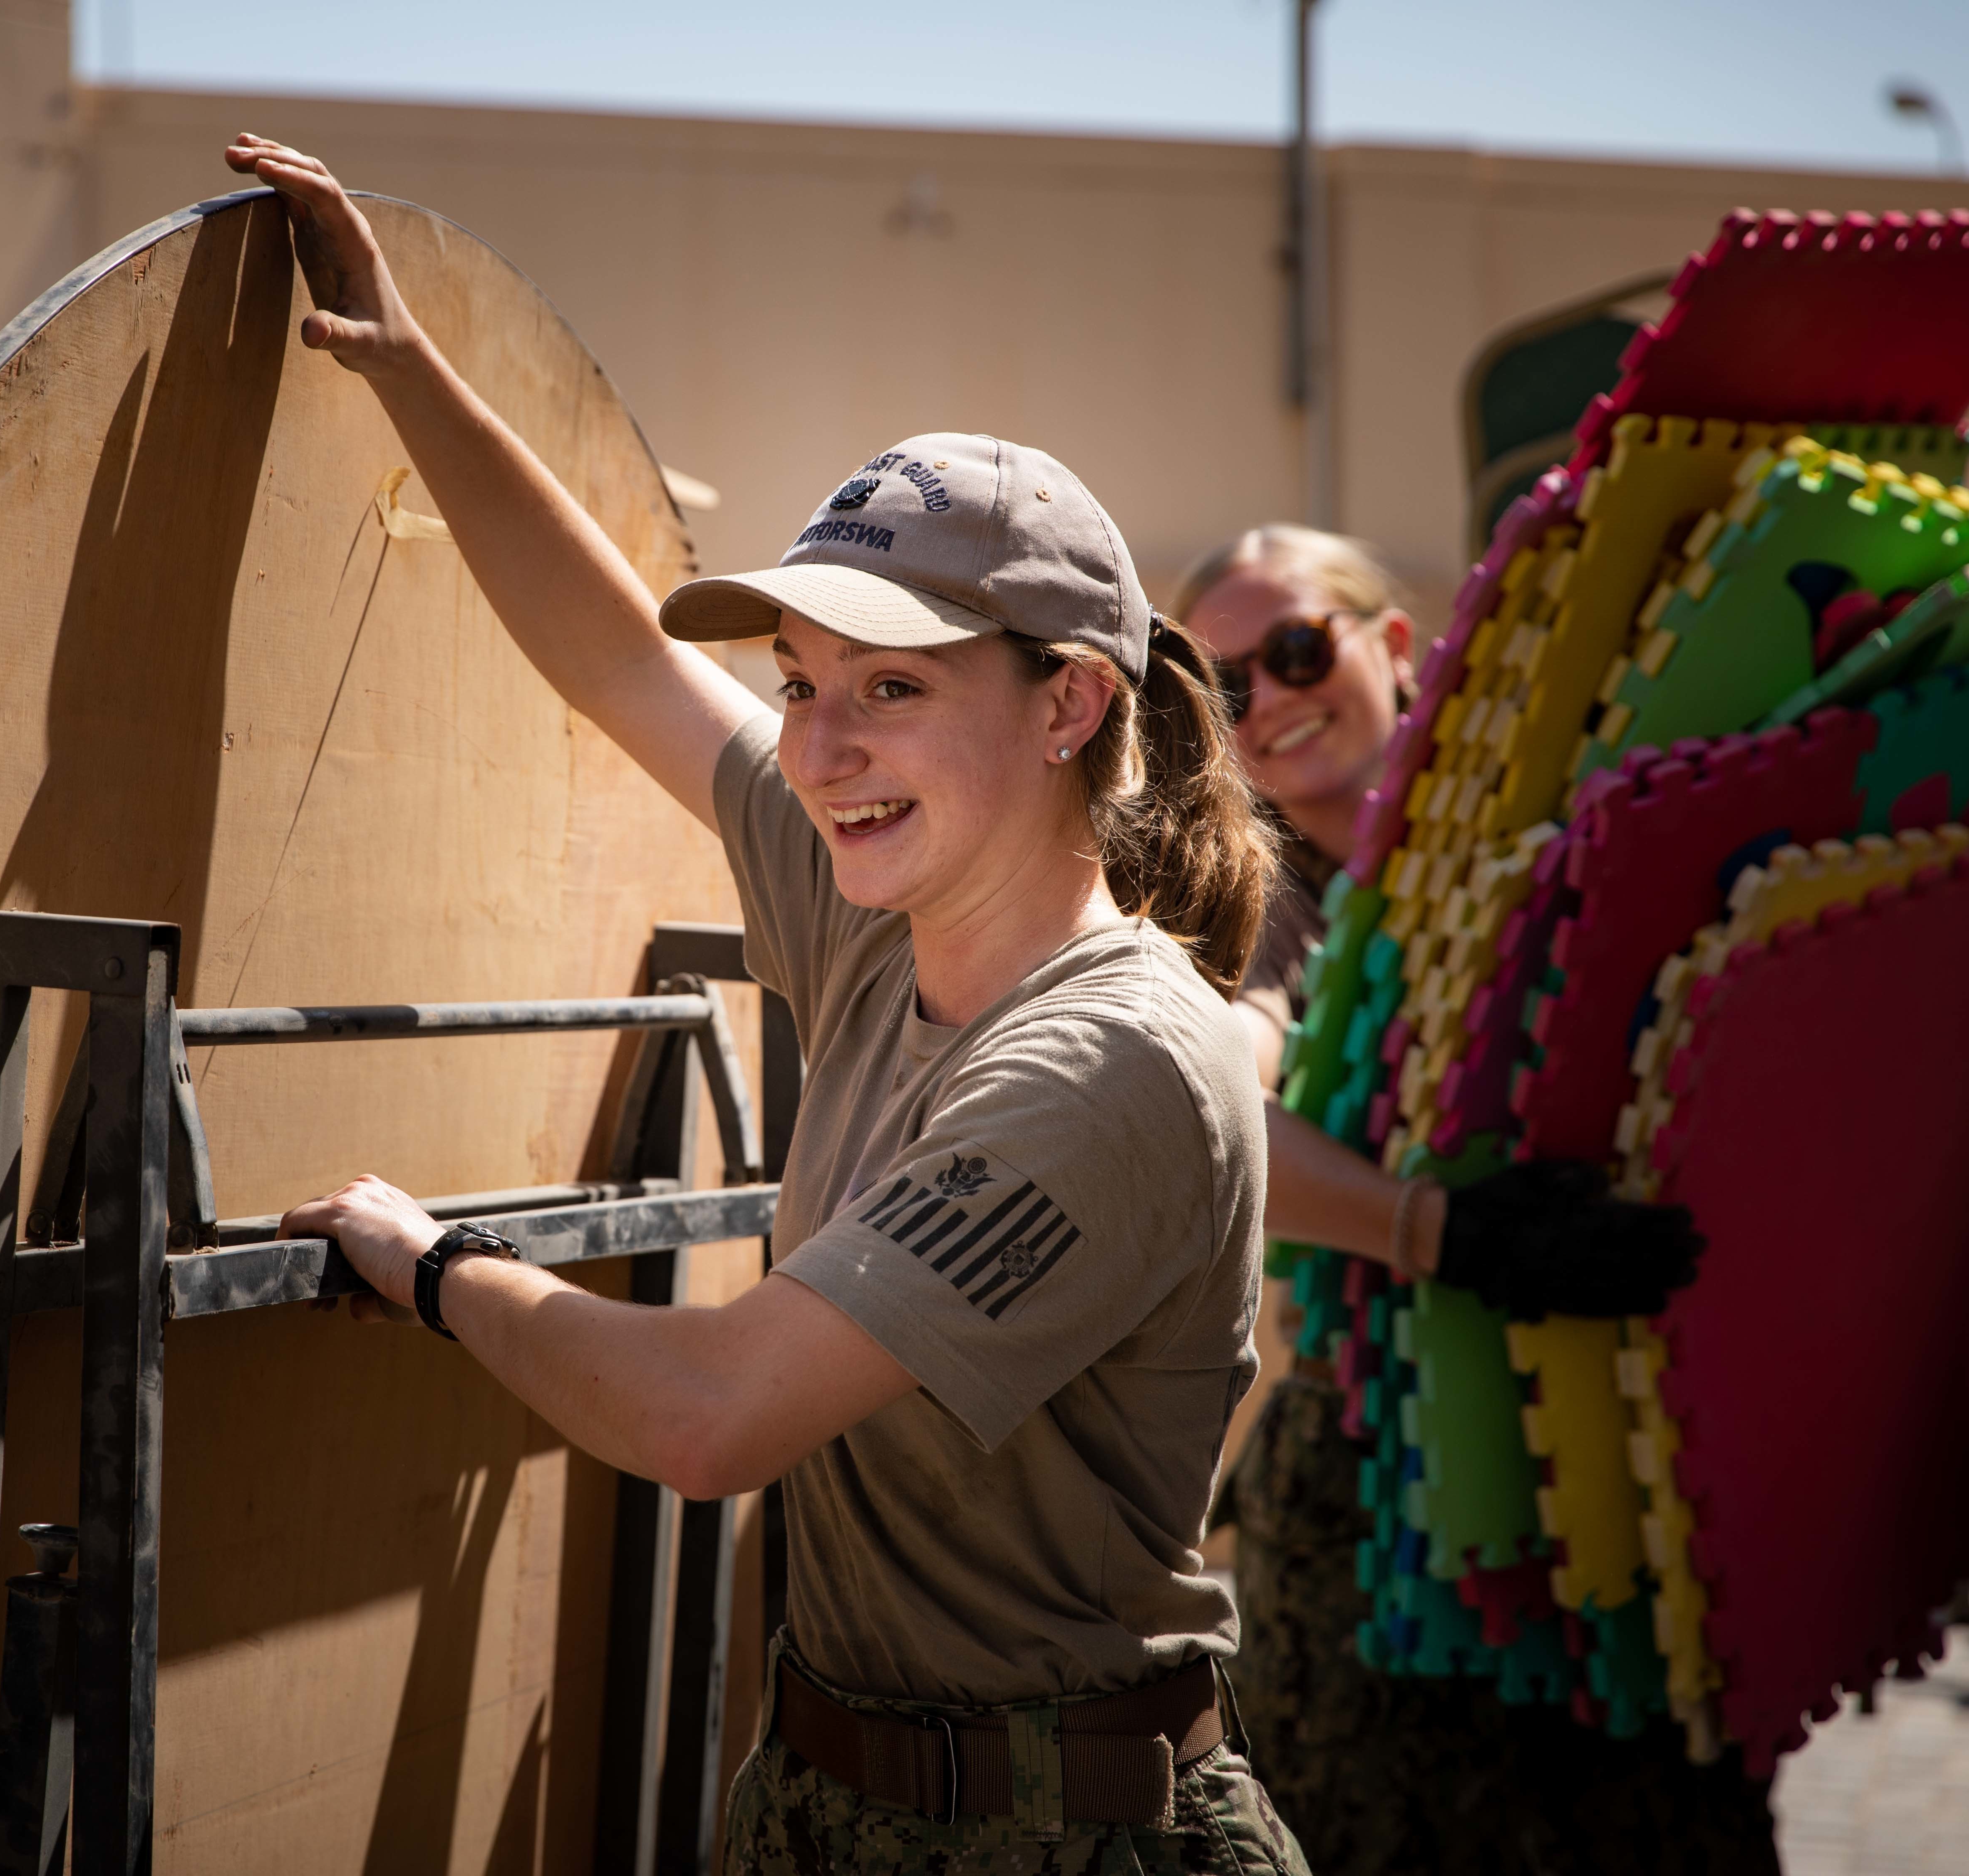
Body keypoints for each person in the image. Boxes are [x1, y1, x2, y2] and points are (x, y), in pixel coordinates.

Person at [231, 135, 1306, 1874]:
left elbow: (707, 1415)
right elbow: (617, 659)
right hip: (836, 1803)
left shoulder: (1110, 1062)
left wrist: (435, 1271)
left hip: (1057, 1834)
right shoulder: (888, 899)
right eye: (802, 685)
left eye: (891, 687)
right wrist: (404, 360)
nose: (820, 750)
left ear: (1066, 707)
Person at [1179, 526, 1771, 1875]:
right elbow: (1221, 1101)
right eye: (1222, 687)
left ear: (1393, 647)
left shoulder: (1566, 817)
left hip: (1627, 1455)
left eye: (1291, 651)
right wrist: (1442, 1231)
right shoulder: (1243, 901)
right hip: (1376, 1493)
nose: (1266, 701)